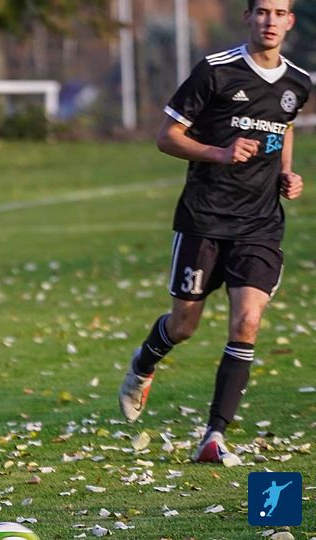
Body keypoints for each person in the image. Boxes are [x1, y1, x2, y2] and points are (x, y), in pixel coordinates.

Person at [117, 0, 311, 465]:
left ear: (290, 21)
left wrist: (286, 172)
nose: (269, 21)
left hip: (260, 223)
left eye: (278, 13)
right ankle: (144, 363)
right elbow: (167, 136)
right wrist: (220, 153)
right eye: (261, 11)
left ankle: (214, 435)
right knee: (184, 325)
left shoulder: (298, 82)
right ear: (248, 17)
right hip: (204, 219)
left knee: (247, 322)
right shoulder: (216, 70)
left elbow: (283, 127)